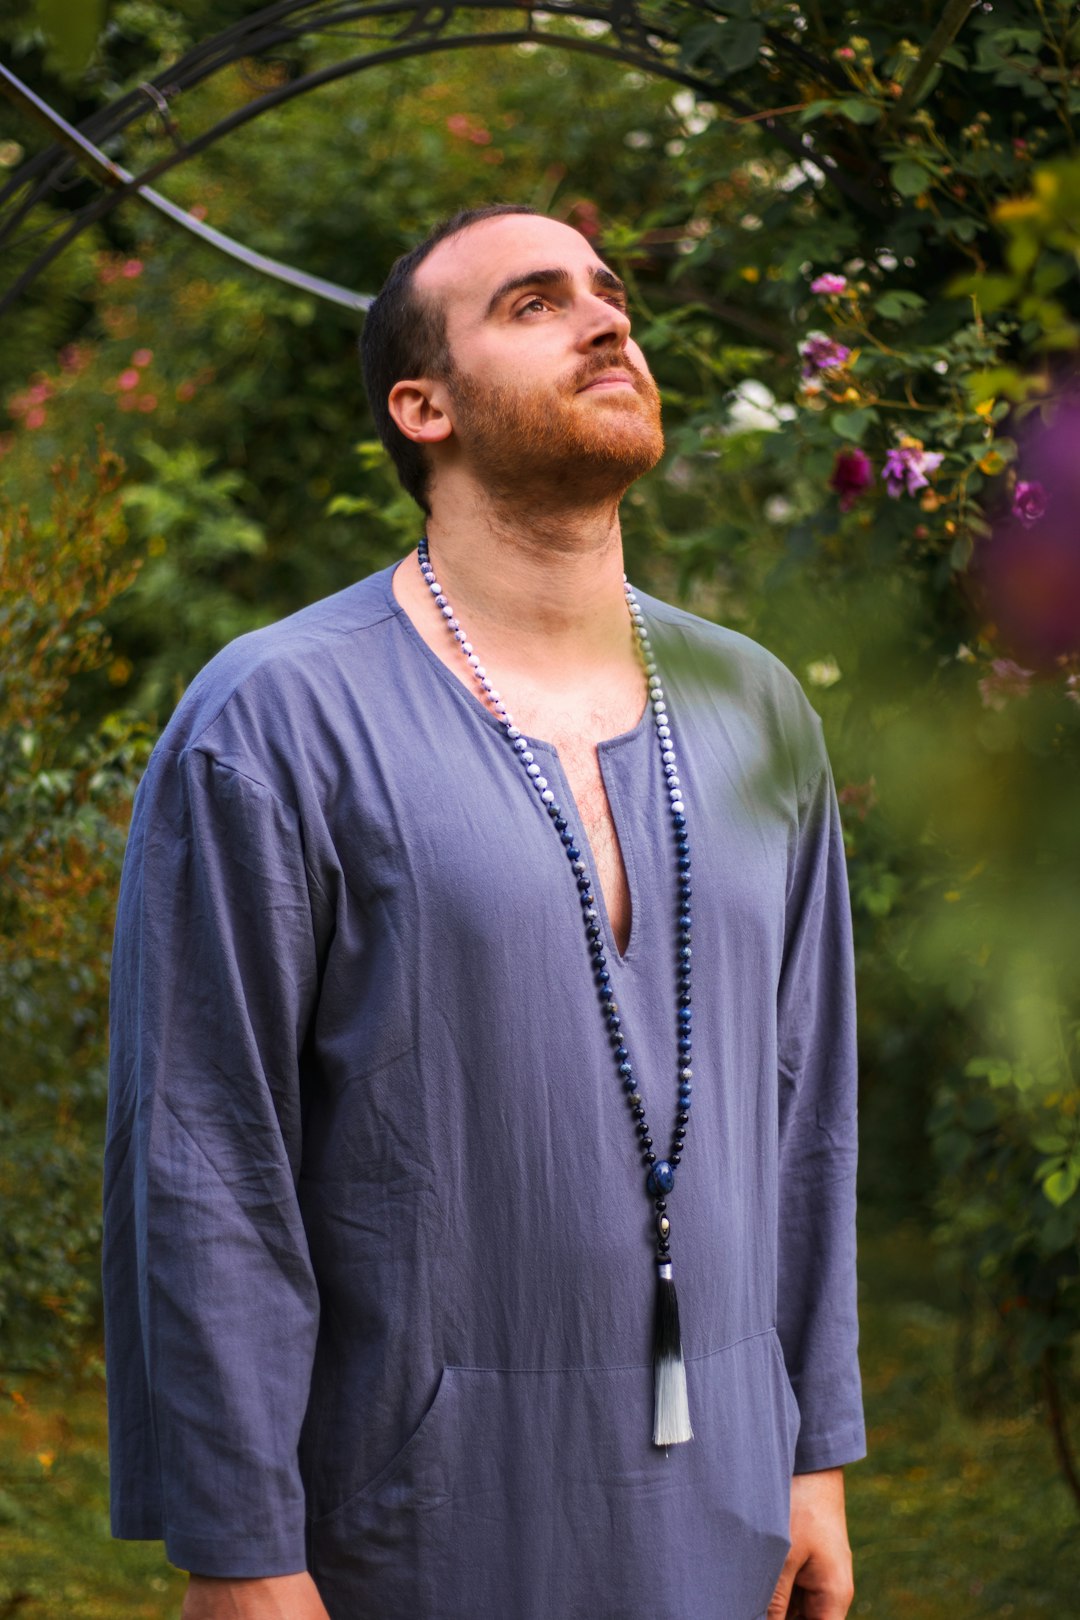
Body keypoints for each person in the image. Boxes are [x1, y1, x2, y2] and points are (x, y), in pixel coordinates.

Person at [104, 204, 865, 1620]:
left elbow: (808, 1102)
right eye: (534, 301)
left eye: (610, 292)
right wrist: (241, 1548)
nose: (606, 318)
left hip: (729, 1497)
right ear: (423, 405)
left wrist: (813, 1447)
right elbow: (204, 1153)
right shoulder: (277, 718)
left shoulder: (754, 705)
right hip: (415, 1524)